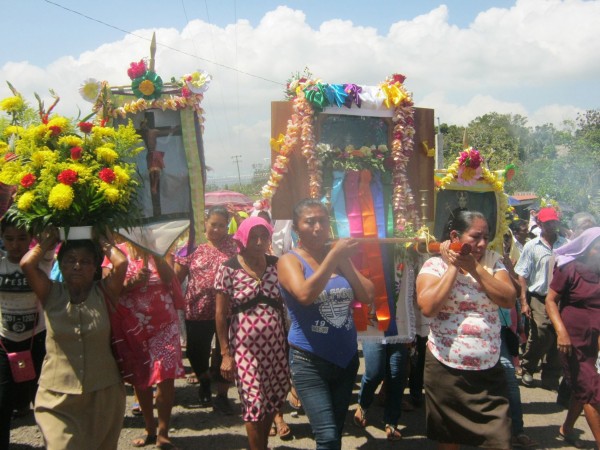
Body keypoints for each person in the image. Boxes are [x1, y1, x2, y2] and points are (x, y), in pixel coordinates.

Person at [278, 199, 375, 450]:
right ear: (297, 228)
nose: (318, 227)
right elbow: (304, 295)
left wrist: (343, 263)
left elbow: (367, 294)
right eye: (310, 222)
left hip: (346, 360)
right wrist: (334, 256)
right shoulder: (290, 261)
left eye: (322, 221)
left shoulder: (338, 258)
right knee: (328, 437)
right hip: (310, 362)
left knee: (337, 431)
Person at [416, 210, 516, 450]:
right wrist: (453, 266)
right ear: (454, 235)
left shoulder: (492, 261)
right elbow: (428, 307)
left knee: (499, 440)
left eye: (486, 237)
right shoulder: (434, 265)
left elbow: (508, 298)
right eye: (476, 237)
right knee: (450, 439)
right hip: (445, 368)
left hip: (488, 368)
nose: (482, 243)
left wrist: (474, 268)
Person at [20, 230, 127, 450]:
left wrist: (100, 239)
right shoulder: (50, 293)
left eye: (85, 261)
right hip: (56, 397)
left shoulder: (105, 292)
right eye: (70, 260)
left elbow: (121, 262)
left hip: (103, 394)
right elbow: (27, 265)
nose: (77, 266)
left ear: (95, 267)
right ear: (61, 264)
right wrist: (52, 238)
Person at [215, 216, 290, 450]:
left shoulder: (278, 264)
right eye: (253, 237)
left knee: (274, 399)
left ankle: (261, 444)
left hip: (277, 348)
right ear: (243, 238)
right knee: (253, 404)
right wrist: (225, 353)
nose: (259, 242)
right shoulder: (228, 268)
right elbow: (219, 314)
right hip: (245, 350)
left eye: (263, 236)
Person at [104, 241, 185, 449]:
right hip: (132, 325)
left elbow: (170, 278)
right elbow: (107, 287)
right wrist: (130, 283)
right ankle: (149, 428)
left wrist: (155, 254)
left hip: (164, 325)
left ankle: (163, 432)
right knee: (141, 378)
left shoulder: (161, 248)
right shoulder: (116, 252)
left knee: (166, 376)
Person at [173, 205, 238, 414]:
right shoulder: (190, 246)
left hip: (227, 310)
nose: (217, 229)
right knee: (195, 351)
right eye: (213, 225)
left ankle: (222, 395)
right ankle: (203, 379)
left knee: (224, 352)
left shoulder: (235, 246)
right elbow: (177, 278)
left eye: (222, 225)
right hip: (197, 308)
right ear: (205, 223)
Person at [546, 227, 600, 449]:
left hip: (595, 339)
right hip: (573, 340)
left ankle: (566, 428)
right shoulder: (568, 269)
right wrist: (562, 332)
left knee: (583, 387)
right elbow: (550, 301)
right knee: (592, 390)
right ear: (587, 249)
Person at [0, 219, 52, 448]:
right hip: (3, 342)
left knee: (42, 400)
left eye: (22, 238)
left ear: (31, 238)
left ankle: (52, 444)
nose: (15, 245)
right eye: (9, 239)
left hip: (37, 340)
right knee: (2, 402)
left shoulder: (42, 261)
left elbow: (52, 237)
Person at [515, 206, 567, 389]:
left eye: (554, 222)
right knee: (542, 332)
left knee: (559, 335)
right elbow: (522, 274)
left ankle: (551, 374)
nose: (552, 226)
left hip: (561, 297)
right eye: (547, 223)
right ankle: (528, 367)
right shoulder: (532, 246)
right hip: (539, 297)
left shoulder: (566, 244)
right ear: (539, 224)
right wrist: (523, 301)